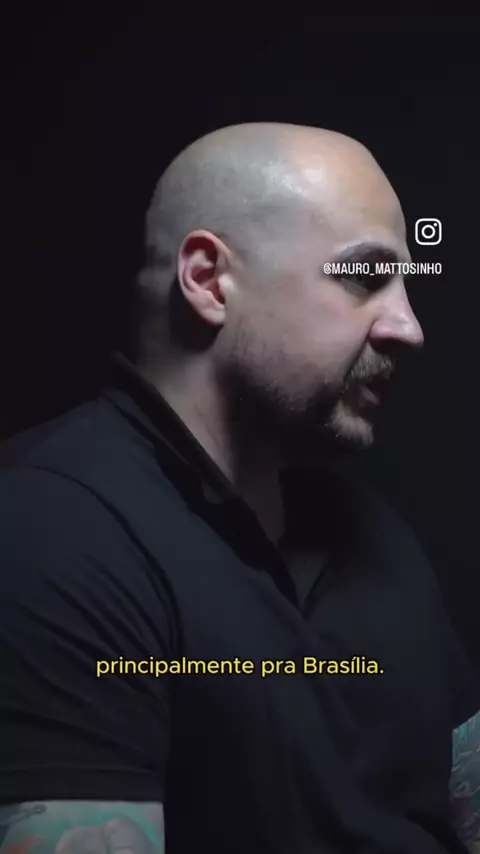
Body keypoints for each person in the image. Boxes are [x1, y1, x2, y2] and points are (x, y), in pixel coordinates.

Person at [0, 122, 479, 854]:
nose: (408, 327)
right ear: (208, 280)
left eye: (407, 286)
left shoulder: (374, 535)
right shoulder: (47, 533)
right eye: (364, 277)